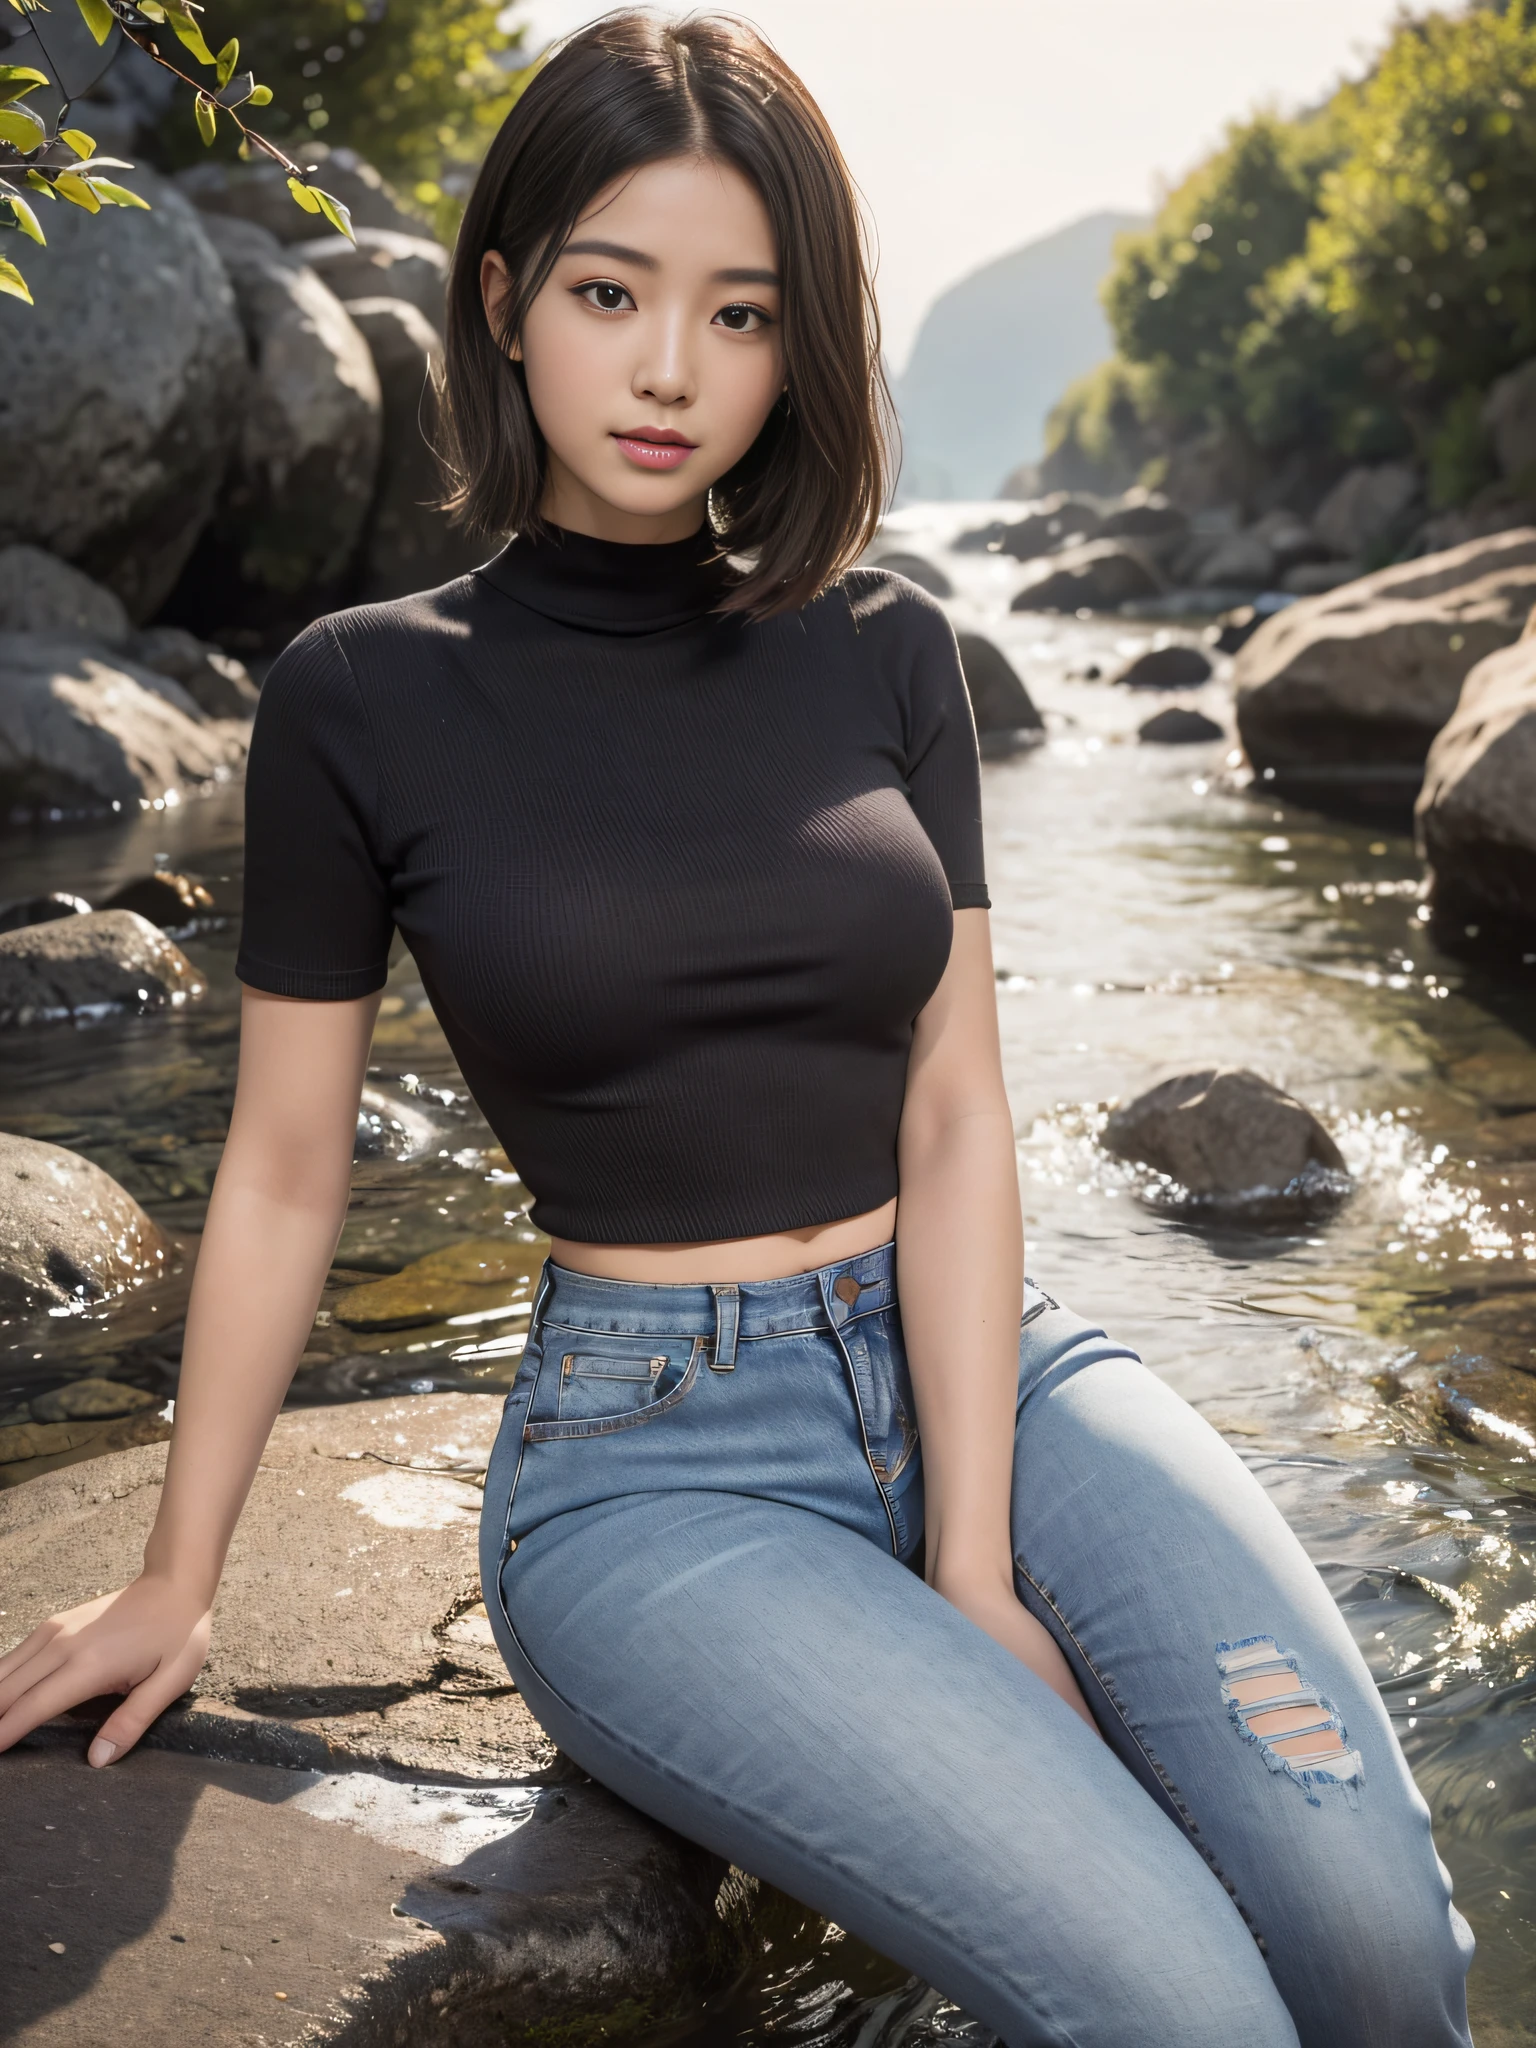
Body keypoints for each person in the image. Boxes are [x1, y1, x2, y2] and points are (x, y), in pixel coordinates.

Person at [0, 14, 1475, 2044]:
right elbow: (282, 1162)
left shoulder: (884, 646)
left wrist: (970, 1558)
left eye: (742, 310)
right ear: (506, 301)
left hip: (1000, 1376)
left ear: (800, 346)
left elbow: (955, 1106)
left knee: (1387, 1957)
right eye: (613, 293)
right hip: (651, 1467)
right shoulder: (360, 698)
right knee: (1188, 2014)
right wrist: (179, 1573)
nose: (673, 369)